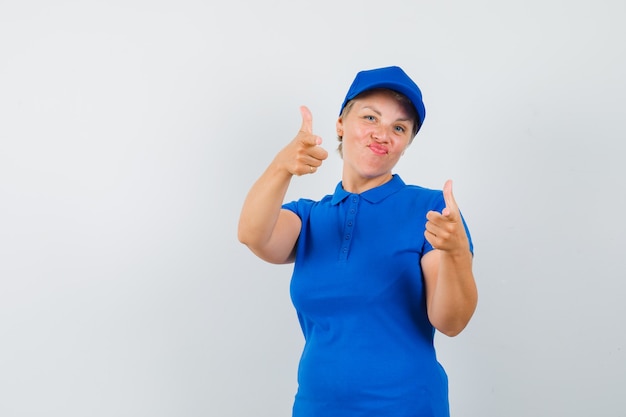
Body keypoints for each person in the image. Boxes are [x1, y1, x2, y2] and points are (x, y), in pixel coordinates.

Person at [237, 66, 477, 417]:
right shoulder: (307, 217)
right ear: (340, 124)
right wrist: (281, 167)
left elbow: (451, 322)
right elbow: (253, 235)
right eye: (370, 117)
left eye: (399, 128)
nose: (382, 134)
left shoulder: (431, 211)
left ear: (406, 143)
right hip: (315, 408)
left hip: (406, 407)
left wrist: (456, 254)